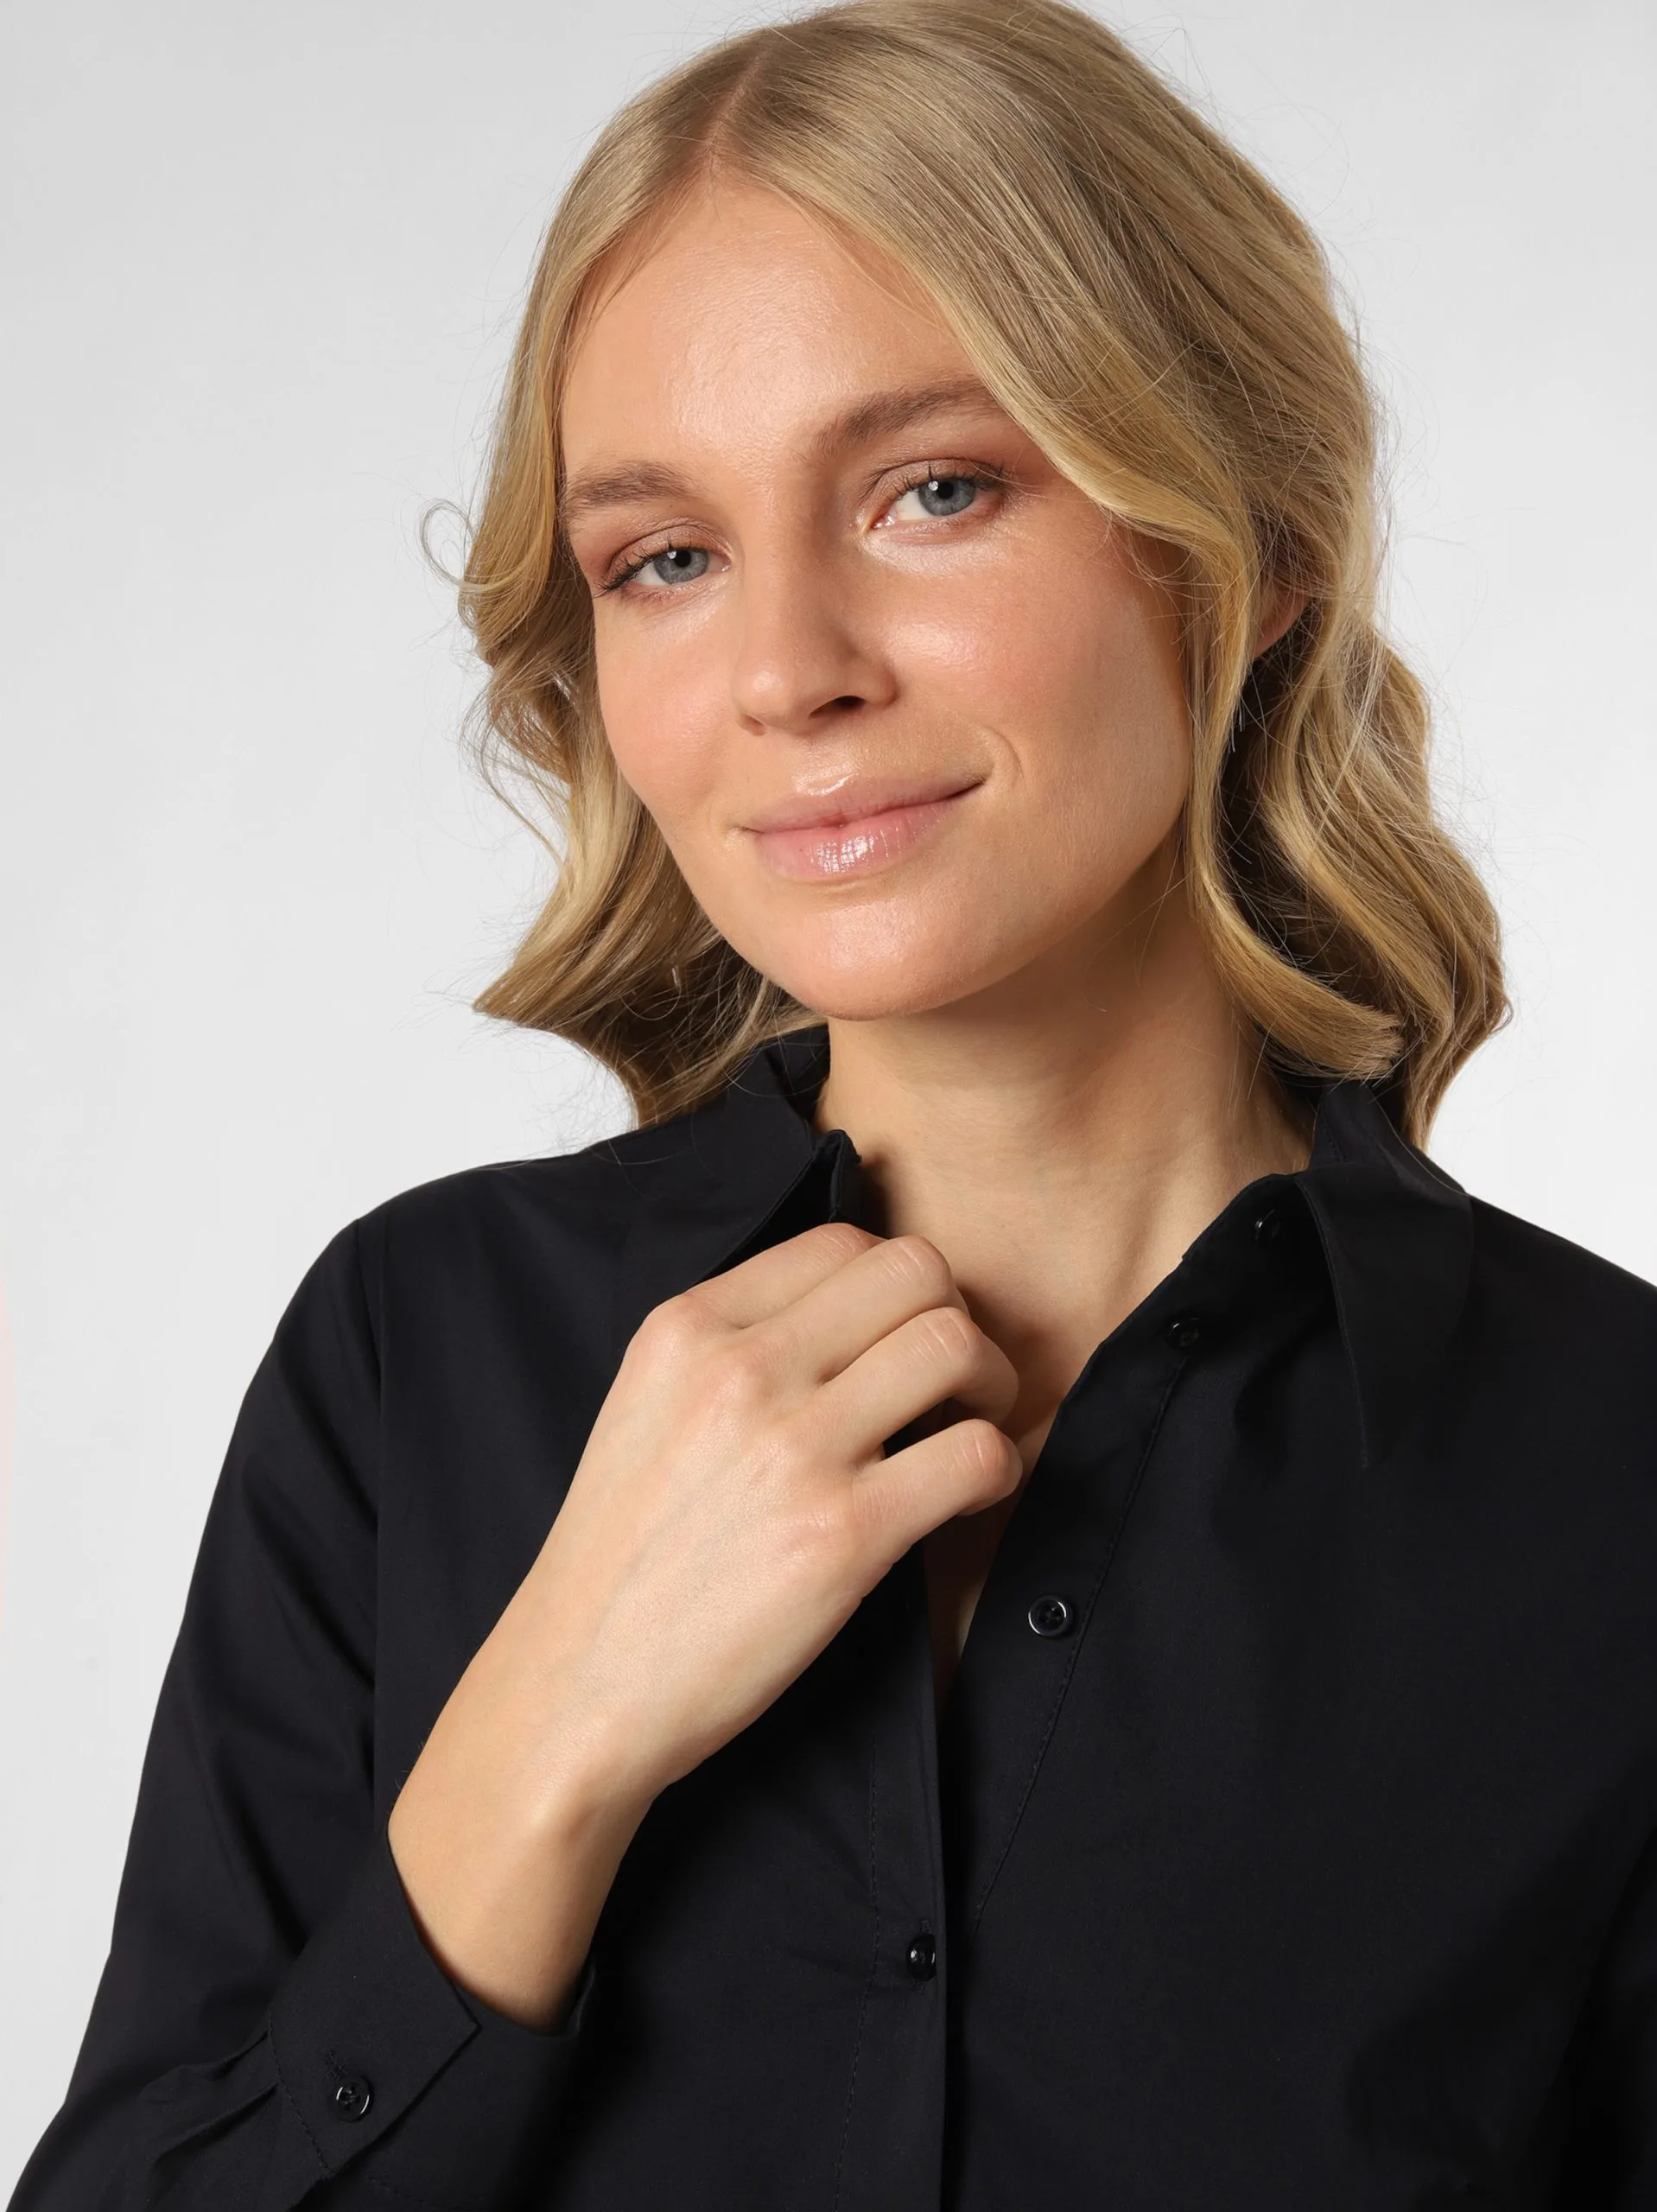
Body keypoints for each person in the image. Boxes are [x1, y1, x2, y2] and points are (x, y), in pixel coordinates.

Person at [12, 0, 1657, 2203]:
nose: (788, 669)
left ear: (1252, 544)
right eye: (664, 557)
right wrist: (552, 1729)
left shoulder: (1606, 1469)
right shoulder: (419, 1358)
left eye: (933, 491)